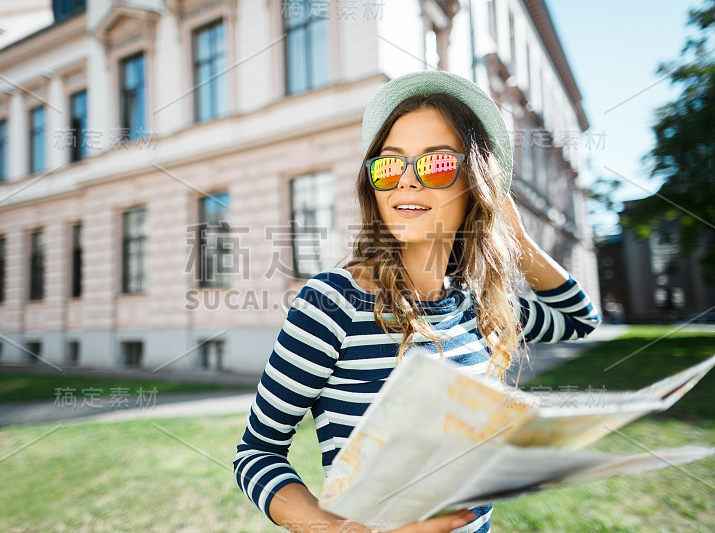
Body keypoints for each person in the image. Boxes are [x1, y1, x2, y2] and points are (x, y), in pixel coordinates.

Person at [233, 70, 602, 533]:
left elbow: (581, 319)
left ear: (477, 184)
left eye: (437, 163)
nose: (406, 182)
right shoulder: (332, 303)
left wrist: (517, 239)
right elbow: (257, 452)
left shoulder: (479, 306)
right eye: (390, 165)